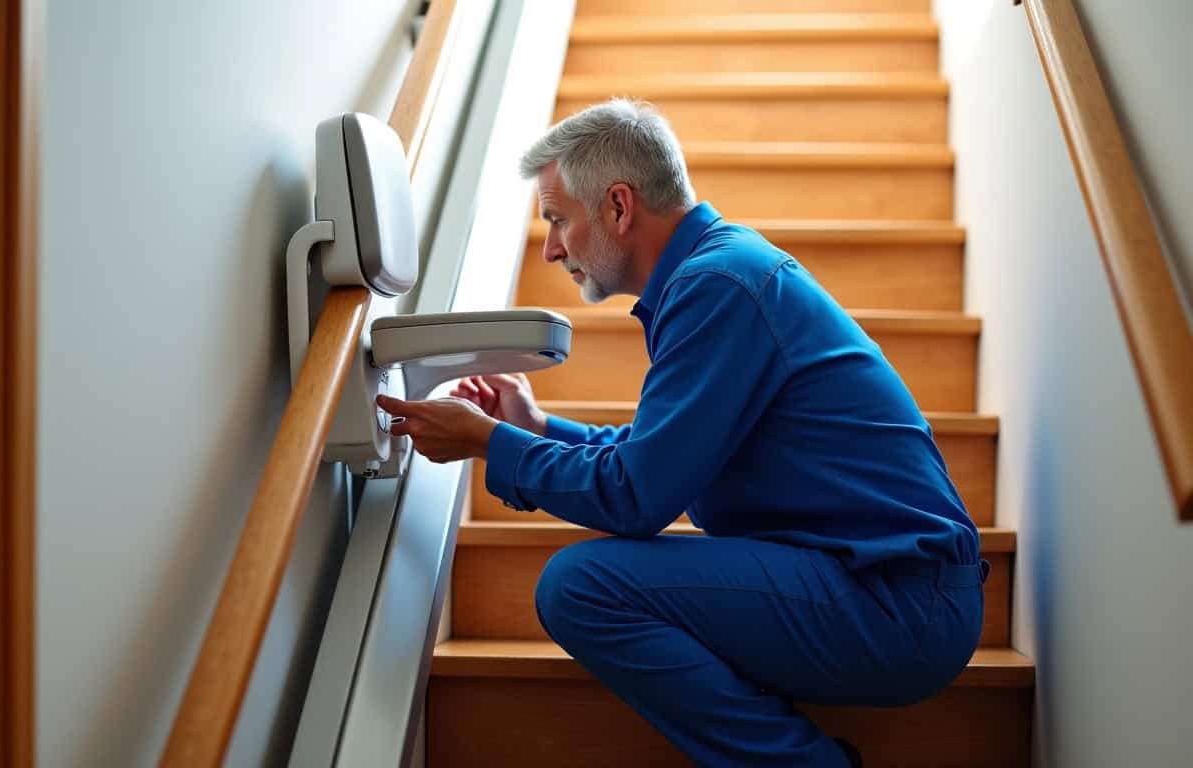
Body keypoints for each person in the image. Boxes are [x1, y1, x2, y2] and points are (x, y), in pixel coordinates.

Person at [376, 98, 987, 768]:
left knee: (582, 587)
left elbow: (636, 497)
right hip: (878, 588)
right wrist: (538, 427)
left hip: (897, 606)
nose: (550, 247)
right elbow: (658, 452)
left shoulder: (720, 285)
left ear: (617, 206)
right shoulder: (721, 273)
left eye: (557, 219)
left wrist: (489, 442)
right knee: (586, 580)